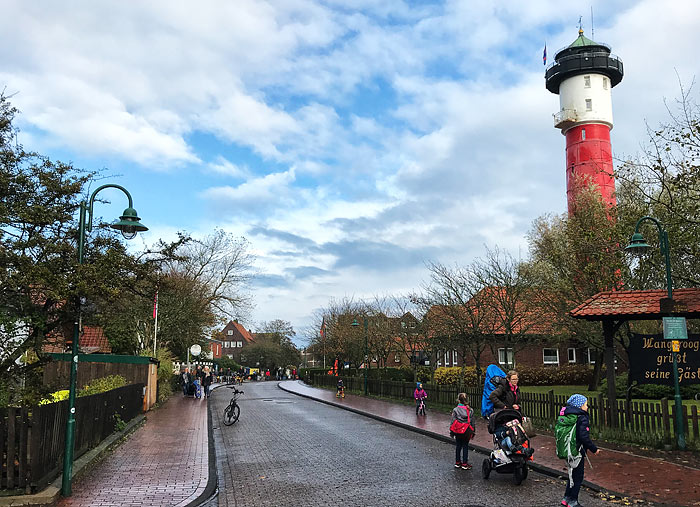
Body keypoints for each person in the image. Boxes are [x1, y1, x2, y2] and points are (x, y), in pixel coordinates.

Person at [558, 395, 599, 507]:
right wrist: (594, 449)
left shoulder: (568, 416)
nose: (587, 406)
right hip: (578, 451)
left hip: (568, 449)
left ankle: (566, 498)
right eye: (585, 404)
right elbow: (584, 436)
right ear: (579, 406)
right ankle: (573, 501)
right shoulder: (582, 417)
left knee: (571, 474)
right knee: (578, 477)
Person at [450, 393, 474, 470]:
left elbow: (453, 421)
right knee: (465, 446)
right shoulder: (470, 410)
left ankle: (457, 462)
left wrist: (451, 430)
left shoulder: (455, 410)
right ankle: (464, 463)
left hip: (458, 430)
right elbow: (472, 422)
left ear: (459, 400)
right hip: (466, 430)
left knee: (458, 446)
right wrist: (473, 431)